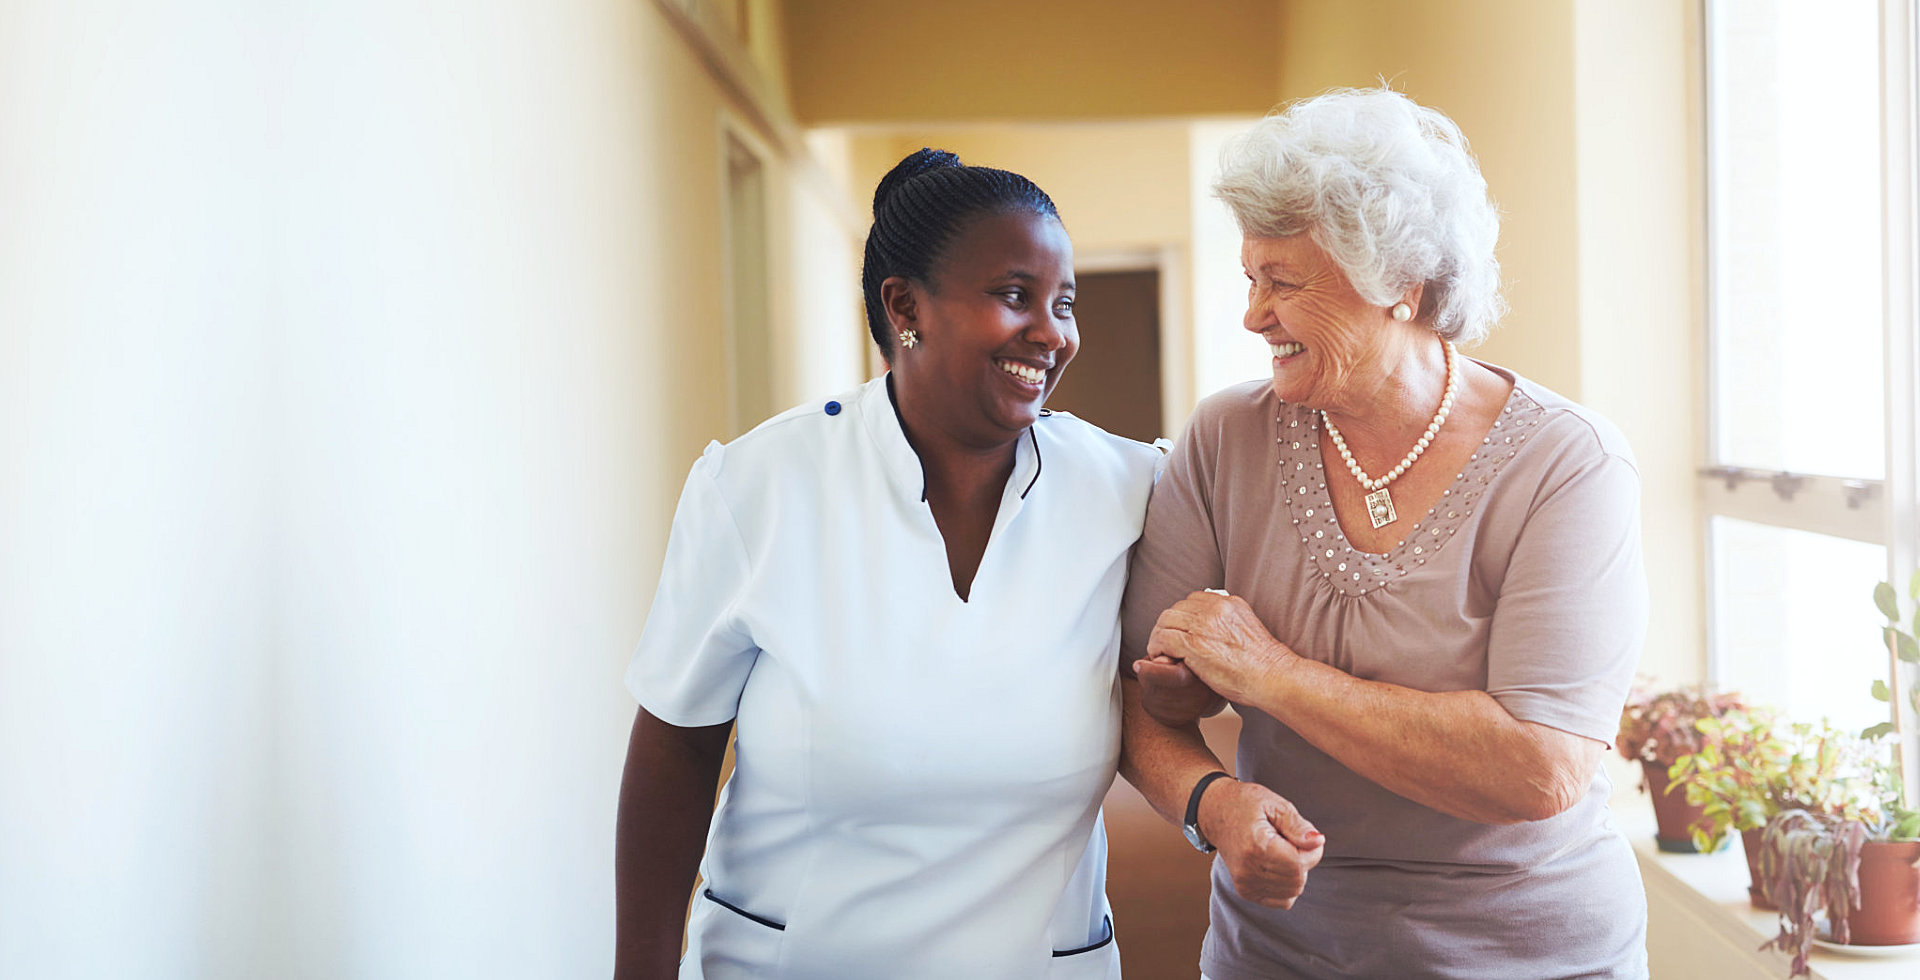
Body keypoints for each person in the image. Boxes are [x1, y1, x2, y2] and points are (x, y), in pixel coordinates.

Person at [1118, 88, 1650, 979]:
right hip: (1279, 950)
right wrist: (1210, 799)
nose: (1253, 314)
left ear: (1401, 283)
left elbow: (1538, 768)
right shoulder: (1225, 439)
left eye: (1283, 282)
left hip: (1528, 955)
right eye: (1251, 277)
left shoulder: (1569, 465)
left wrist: (1268, 673)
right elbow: (1140, 704)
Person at [613, 148, 1160, 979]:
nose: (1052, 333)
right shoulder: (760, 486)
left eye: (1064, 303)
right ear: (904, 307)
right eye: (1016, 296)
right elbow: (675, 748)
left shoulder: (1127, 489)